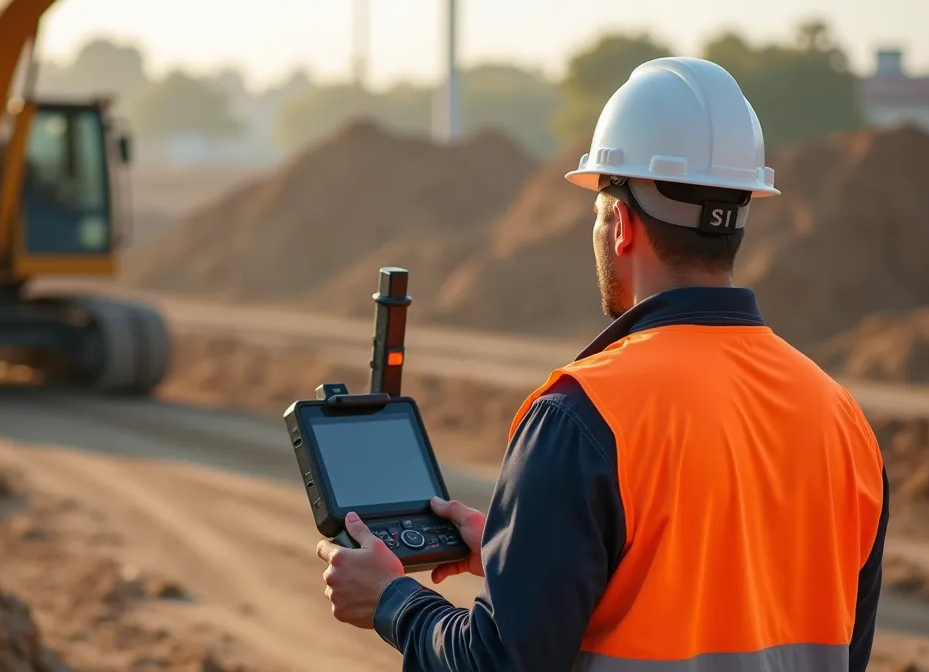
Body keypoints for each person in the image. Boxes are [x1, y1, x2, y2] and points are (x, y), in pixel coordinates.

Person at [315, 56, 889, 672]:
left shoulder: (582, 417)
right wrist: (526, 558)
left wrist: (394, 601)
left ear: (619, 223)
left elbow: (499, 663)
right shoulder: (842, 420)